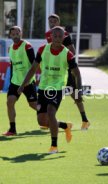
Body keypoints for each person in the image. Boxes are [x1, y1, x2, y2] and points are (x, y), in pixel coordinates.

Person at [18, 26, 83, 154]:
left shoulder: (68, 54)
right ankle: (65, 126)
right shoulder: (43, 49)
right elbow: (33, 69)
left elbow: (77, 73)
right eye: (55, 36)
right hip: (43, 87)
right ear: (51, 37)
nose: (58, 39)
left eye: (60, 36)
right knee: (42, 121)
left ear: (64, 38)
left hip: (57, 87)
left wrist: (78, 91)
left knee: (51, 112)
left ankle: (54, 146)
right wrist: (23, 84)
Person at [45, 14, 90, 130]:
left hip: (66, 71)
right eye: (50, 21)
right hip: (55, 72)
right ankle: (50, 120)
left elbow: (72, 51)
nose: (52, 23)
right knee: (49, 95)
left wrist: (67, 64)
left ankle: (85, 120)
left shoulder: (64, 35)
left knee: (76, 96)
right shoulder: (48, 35)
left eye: (55, 21)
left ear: (58, 22)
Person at [3, 26, 37, 136]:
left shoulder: (27, 46)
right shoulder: (10, 48)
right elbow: (13, 65)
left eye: (17, 33)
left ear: (21, 33)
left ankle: (48, 116)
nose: (15, 36)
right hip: (15, 82)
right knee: (9, 102)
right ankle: (12, 129)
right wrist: (11, 80)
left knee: (33, 105)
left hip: (27, 82)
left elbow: (34, 65)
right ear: (10, 35)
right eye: (13, 34)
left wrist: (31, 80)